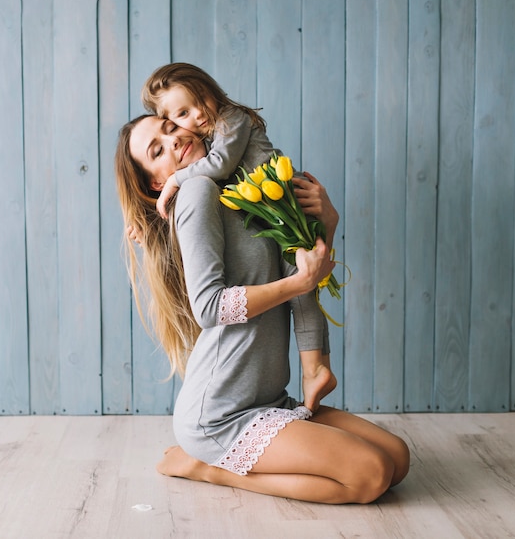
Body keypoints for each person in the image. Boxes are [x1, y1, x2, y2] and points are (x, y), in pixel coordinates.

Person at [114, 114, 410, 504]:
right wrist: (297, 283)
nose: (173, 142)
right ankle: (207, 467)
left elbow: (303, 274)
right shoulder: (197, 190)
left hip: (270, 398)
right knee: (370, 476)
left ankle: (219, 461)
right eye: (157, 150)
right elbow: (209, 307)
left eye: (170, 129)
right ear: (157, 181)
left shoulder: (252, 187)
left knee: (397, 460)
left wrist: (327, 224)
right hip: (221, 412)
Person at [140, 62, 337, 411]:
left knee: (304, 291)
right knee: (302, 287)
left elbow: (219, 165)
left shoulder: (231, 122)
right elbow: (208, 299)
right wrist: (149, 225)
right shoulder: (202, 187)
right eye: (183, 114)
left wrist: (174, 180)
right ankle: (314, 368)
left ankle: (315, 367)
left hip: (284, 206)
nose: (198, 115)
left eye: (200, 100)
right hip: (276, 210)